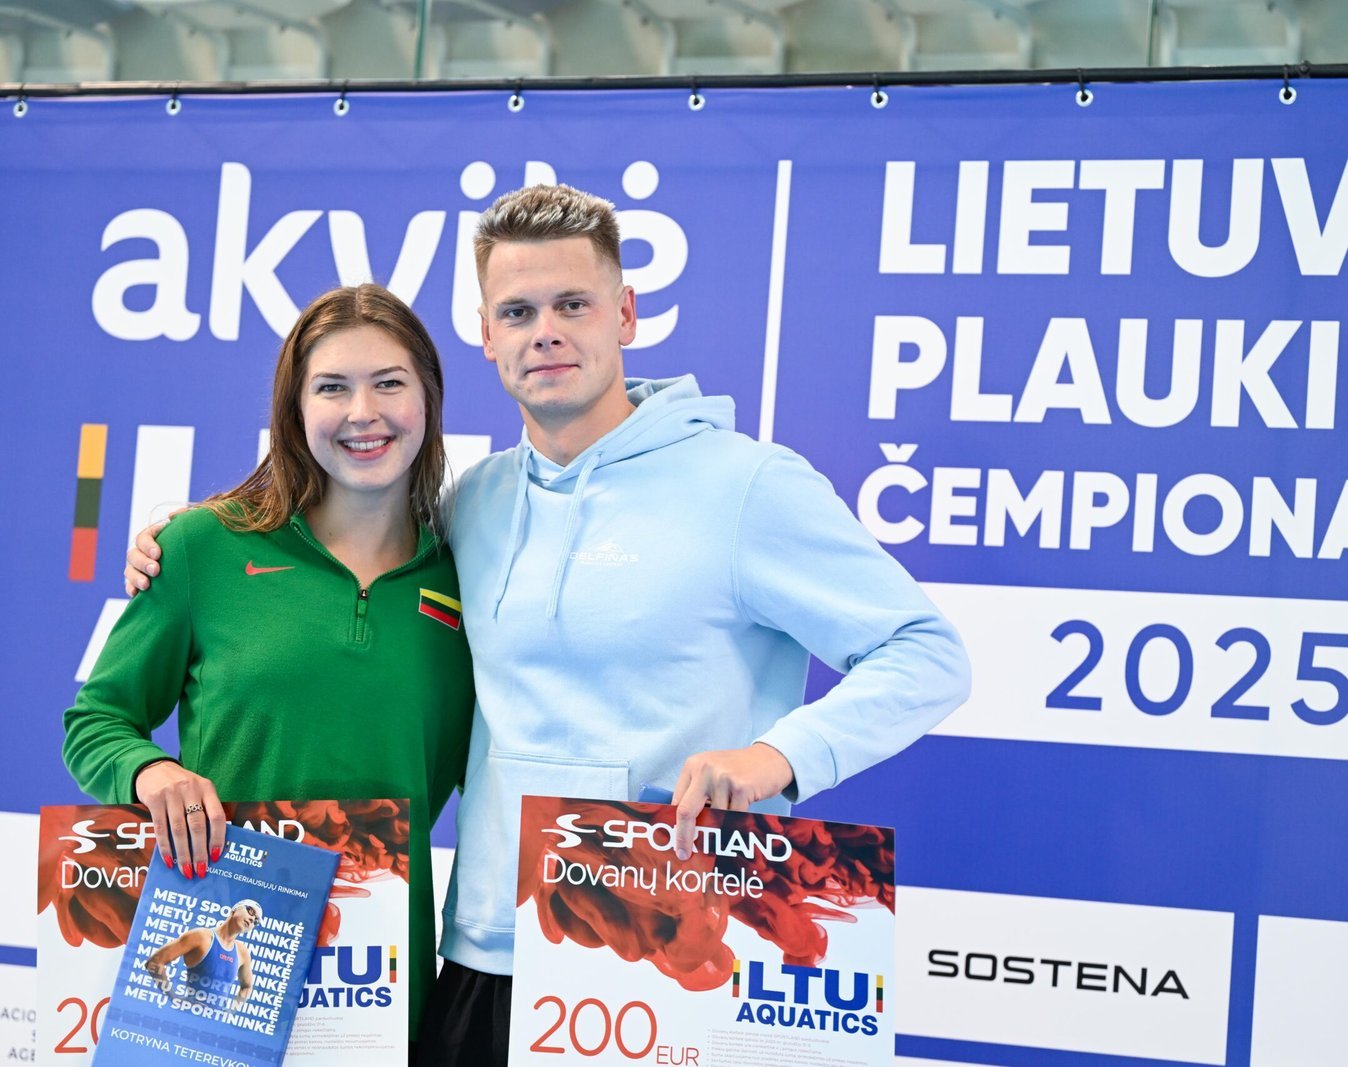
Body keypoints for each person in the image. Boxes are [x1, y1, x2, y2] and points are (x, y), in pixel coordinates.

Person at [129, 184, 971, 1065]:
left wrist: (779, 754)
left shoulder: (748, 486)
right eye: (518, 311)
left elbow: (927, 653)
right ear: (486, 335)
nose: (546, 332)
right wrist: (191, 538)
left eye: (574, 304)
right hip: (485, 954)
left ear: (626, 313)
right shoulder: (474, 502)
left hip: (667, 957)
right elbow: (344, 541)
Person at [71, 283, 474, 1047]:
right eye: (332, 387)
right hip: (218, 969)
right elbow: (96, 722)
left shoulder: (473, 578)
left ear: (429, 398)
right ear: (293, 408)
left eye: (390, 382)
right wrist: (151, 773)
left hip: (382, 988)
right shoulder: (202, 548)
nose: (363, 412)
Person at [144, 899, 261, 1009]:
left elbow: (247, 986)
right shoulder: (201, 937)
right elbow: (155, 962)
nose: (252, 919)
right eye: (251, 911)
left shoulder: (242, 952)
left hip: (214, 1022)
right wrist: (173, 997)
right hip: (188, 1016)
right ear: (234, 910)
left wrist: (230, 1011)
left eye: (256, 921)